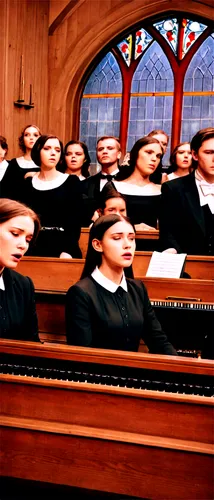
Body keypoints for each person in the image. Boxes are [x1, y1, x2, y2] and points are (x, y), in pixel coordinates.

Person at [66, 214, 177, 354]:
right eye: (117, 238)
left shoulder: (138, 289)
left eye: (131, 238)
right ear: (97, 244)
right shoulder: (81, 293)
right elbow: (82, 354)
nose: (127, 244)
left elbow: (158, 340)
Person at [21, 134, 82, 258]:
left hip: (63, 246)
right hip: (33, 244)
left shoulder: (71, 182)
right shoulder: (28, 184)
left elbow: (74, 222)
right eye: (47, 148)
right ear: (38, 151)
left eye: (57, 150)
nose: (53, 153)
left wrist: (67, 250)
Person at [159, 127, 214, 255]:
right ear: (194, 155)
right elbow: (168, 235)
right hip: (188, 268)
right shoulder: (173, 189)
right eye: (209, 152)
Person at [0, 198, 40, 341]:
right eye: (15, 234)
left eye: (28, 239)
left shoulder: (23, 285)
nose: (23, 245)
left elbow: (32, 344)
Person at [114, 137, 163, 231]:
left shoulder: (162, 190)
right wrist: (132, 227)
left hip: (154, 244)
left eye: (158, 156)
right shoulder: (114, 187)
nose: (154, 159)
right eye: (149, 152)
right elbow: (106, 222)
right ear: (135, 154)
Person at [81, 136, 122, 225]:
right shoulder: (85, 184)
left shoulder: (128, 181)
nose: (104, 151)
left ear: (119, 154)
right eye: (100, 149)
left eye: (110, 148)